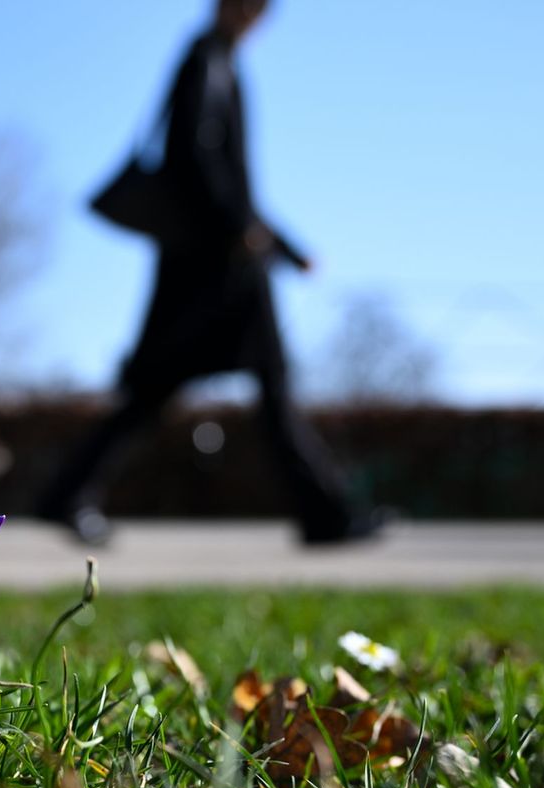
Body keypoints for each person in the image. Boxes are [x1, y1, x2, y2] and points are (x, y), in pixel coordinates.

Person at [37, 0, 388, 546]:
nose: (254, 16)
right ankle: (326, 513)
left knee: (204, 388)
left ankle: (326, 512)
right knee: (220, 385)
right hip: (214, 268)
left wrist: (286, 248)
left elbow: (229, 178)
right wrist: (243, 231)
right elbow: (196, 161)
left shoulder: (220, 62)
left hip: (215, 262)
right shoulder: (204, 60)